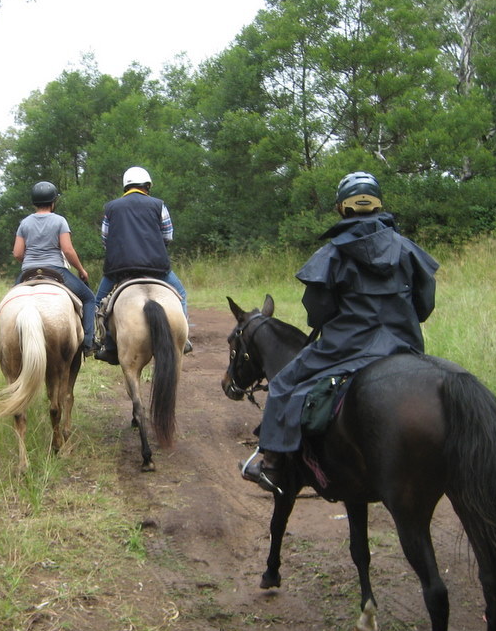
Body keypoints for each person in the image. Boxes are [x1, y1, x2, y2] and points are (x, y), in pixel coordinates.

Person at [240, 171, 439, 492]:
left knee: (283, 385)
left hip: (344, 351)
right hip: (405, 347)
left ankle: (271, 466)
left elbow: (317, 315)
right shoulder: (408, 249)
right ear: (378, 205)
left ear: (342, 208)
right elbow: (425, 307)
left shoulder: (331, 255)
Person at [94, 166, 191, 364]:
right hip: (155, 267)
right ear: (147, 186)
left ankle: (105, 344)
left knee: (98, 302)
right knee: (180, 294)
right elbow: (168, 235)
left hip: (119, 269)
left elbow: (105, 238)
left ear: (125, 187)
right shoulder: (158, 205)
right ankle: (183, 338)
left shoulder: (111, 207)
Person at [13, 180, 96, 357]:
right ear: (53, 202)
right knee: (89, 298)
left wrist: (29, 260)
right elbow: (67, 250)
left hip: (28, 272)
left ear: (34, 202)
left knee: (8, 304)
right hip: (56, 271)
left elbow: (17, 253)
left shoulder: (24, 223)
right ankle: (89, 342)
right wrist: (81, 270)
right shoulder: (59, 221)